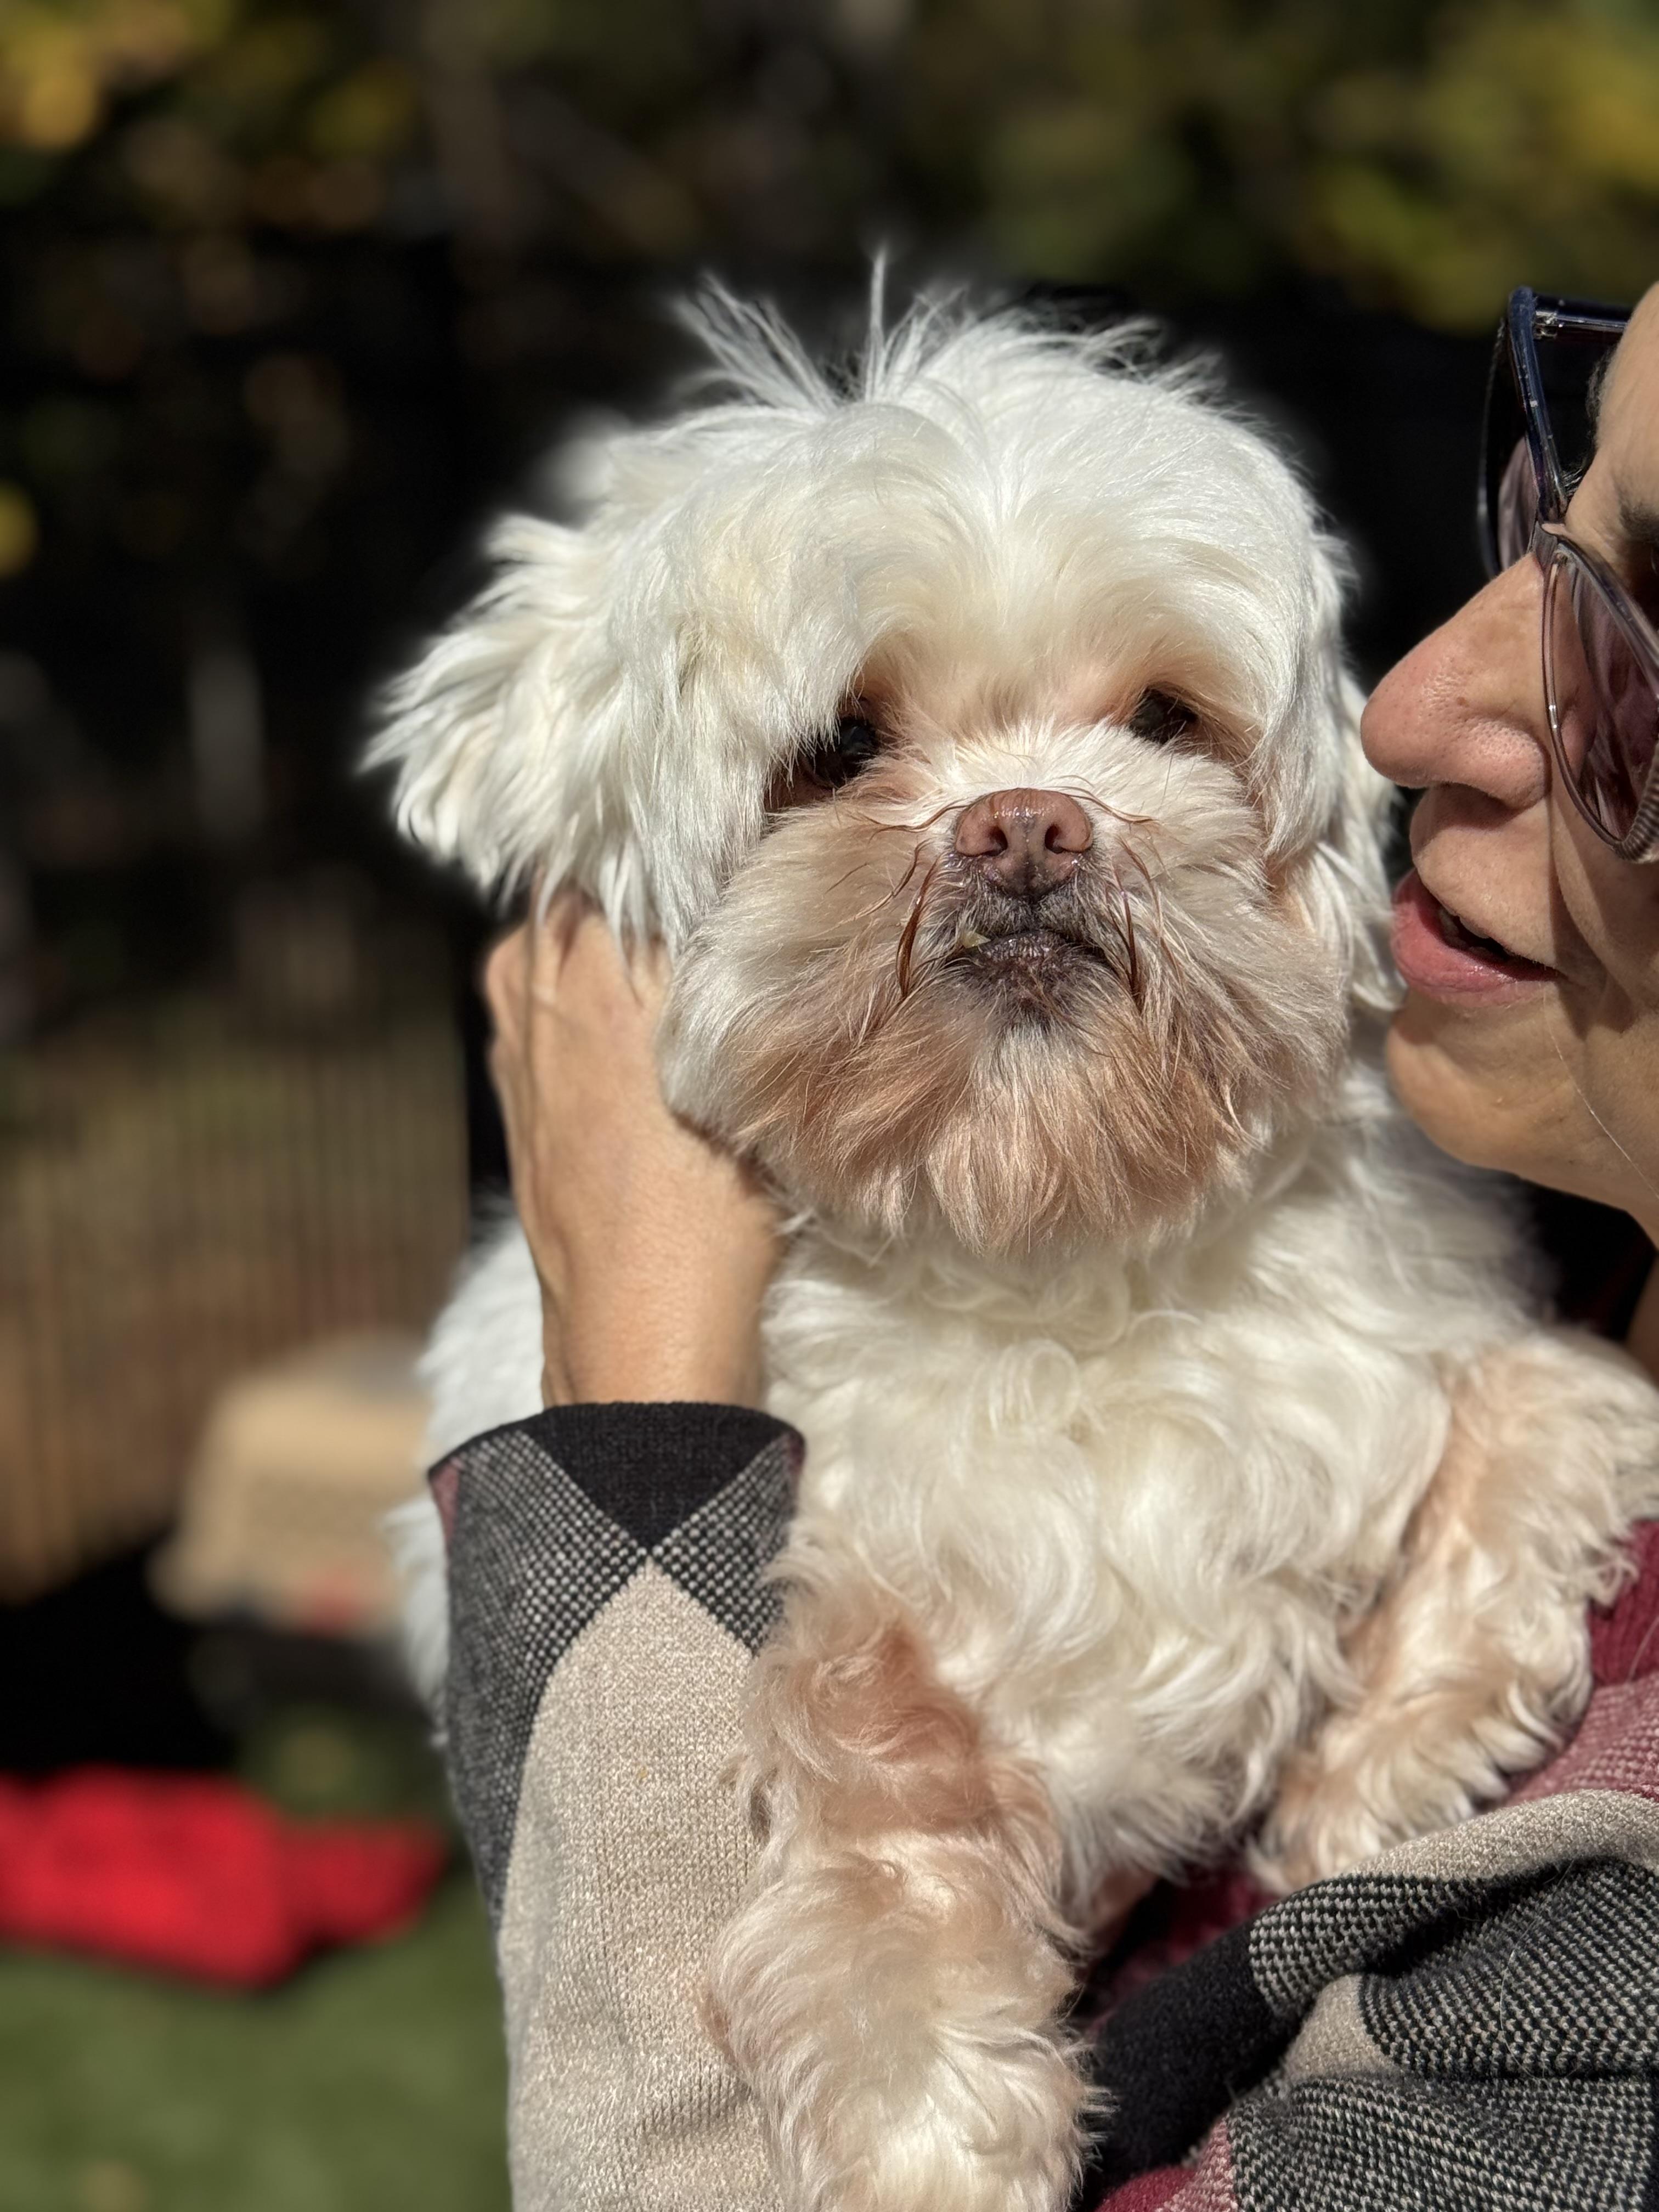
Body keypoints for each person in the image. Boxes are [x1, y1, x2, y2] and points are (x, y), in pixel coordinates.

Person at [434, 284, 1659, 2210]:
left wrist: (636, 1437)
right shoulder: (1546, 1199)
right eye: (850, 748)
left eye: (1164, 719)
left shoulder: (1599, 2003)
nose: (1027, 828)